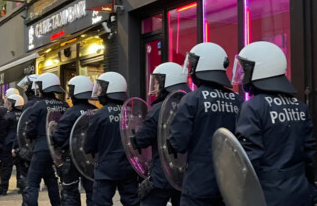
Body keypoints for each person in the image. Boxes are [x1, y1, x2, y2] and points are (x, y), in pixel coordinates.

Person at [233, 41, 316, 206]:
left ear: (260, 70)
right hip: (301, 192)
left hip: (268, 195)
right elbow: (310, 156)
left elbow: (248, 162)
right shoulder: (300, 106)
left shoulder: (253, 107)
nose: (242, 76)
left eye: (245, 71)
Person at [169, 42, 243, 206]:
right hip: (229, 183)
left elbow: (178, 142)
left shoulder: (191, 99)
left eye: (192, 64)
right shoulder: (237, 100)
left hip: (199, 183)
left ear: (201, 65)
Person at [131, 62, 190, 205]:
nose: (155, 87)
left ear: (167, 83)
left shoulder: (158, 108)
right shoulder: (190, 103)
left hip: (162, 175)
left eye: (157, 83)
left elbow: (142, 139)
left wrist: (133, 137)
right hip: (186, 173)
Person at [84, 72, 139, 206]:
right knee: (132, 201)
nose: (99, 92)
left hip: (105, 169)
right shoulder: (131, 112)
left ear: (110, 89)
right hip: (129, 167)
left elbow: (88, 145)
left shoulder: (100, 114)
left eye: (101, 88)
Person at [24, 73, 69, 206]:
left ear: (43, 88)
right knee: (51, 179)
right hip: (59, 150)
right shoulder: (64, 105)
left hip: (41, 148)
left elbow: (29, 131)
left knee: (32, 183)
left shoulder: (37, 106)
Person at [53, 75, 97, 206]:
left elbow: (59, 138)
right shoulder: (96, 111)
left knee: (70, 193)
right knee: (93, 191)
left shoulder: (70, 113)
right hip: (91, 159)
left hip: (71, 158)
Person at [0, 94, 24, 196]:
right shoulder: (25, 115)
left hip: (8, 144)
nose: (8, 105)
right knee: (21, 166)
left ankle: (3, 188)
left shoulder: (7, 116)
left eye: (9, 103)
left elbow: (1, 131)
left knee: (6, 167)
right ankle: (21, 186)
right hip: (21, 143)